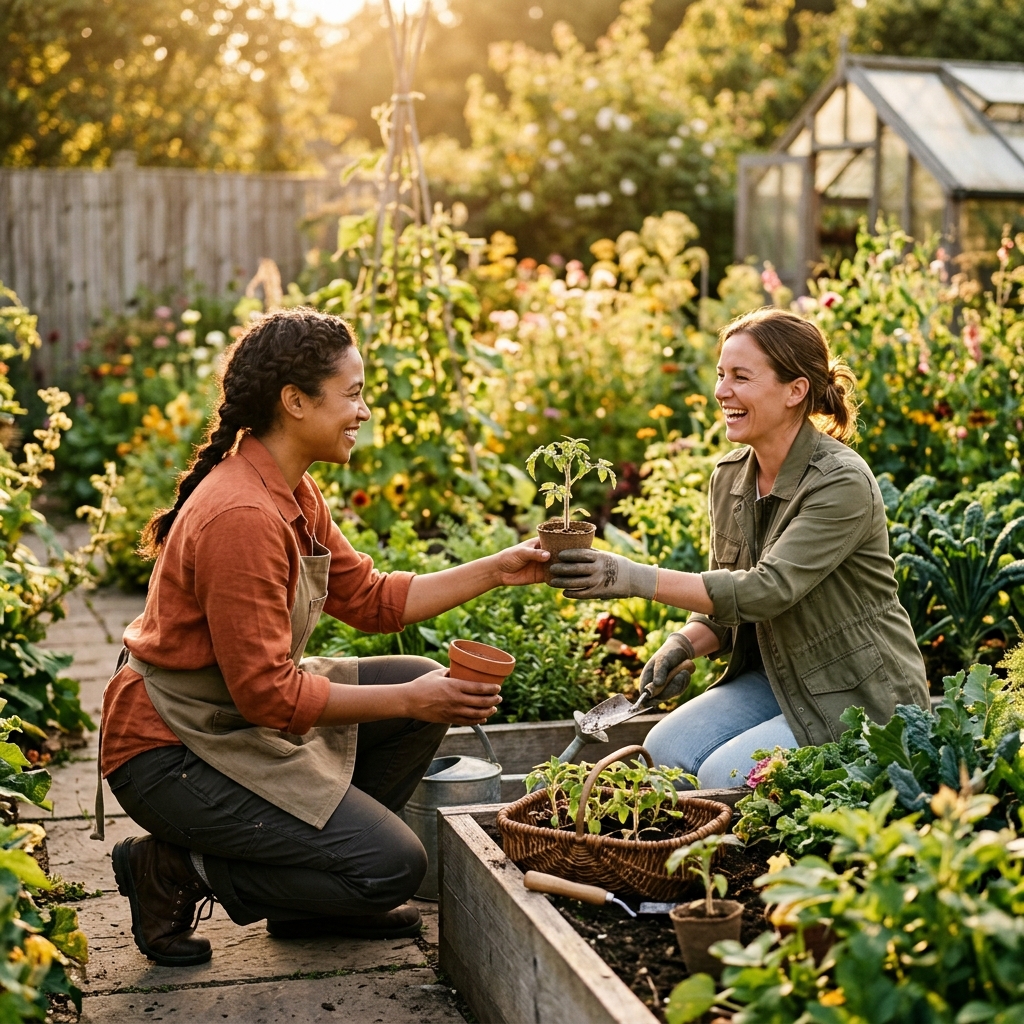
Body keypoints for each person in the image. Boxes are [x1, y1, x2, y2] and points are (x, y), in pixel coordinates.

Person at [97, 308, 549, 967]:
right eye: (355, 393)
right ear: (295, 401)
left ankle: (310, 897)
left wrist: (499, 568)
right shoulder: (241, 515)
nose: (363, 411)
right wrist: (413, 701)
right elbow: (267, 697)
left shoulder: (292, 491)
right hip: (171, 753)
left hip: (230, 716)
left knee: (411, 672)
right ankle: (172, 869)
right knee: (392, 867)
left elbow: (371, 600)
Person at [549, 306, 929, 787]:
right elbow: (723, 606)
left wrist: (630, 577)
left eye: (742, 377)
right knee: (661, 751)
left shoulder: (841, 482)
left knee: (720, 776)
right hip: (776, 677)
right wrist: (682, 644)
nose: (721, 391)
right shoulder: (731, 477)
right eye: (720, 374)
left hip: (855, 691)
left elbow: (764, 592)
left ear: (796, 391)